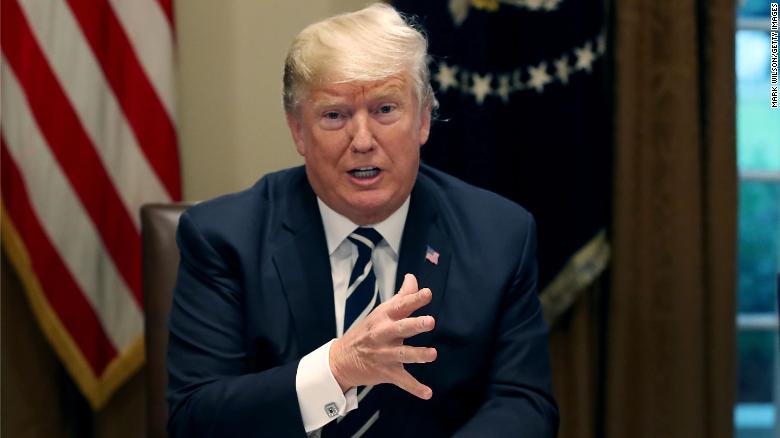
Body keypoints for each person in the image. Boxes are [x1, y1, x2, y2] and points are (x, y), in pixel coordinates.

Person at [166, 3, 558, 437]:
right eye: (334, 115)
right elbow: (194, 418)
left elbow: (524, 403)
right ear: (298, 130)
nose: (364, 140)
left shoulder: (499, 235)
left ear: (424, 119)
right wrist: (336, 368)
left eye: (386, 109)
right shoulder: (224, 239)